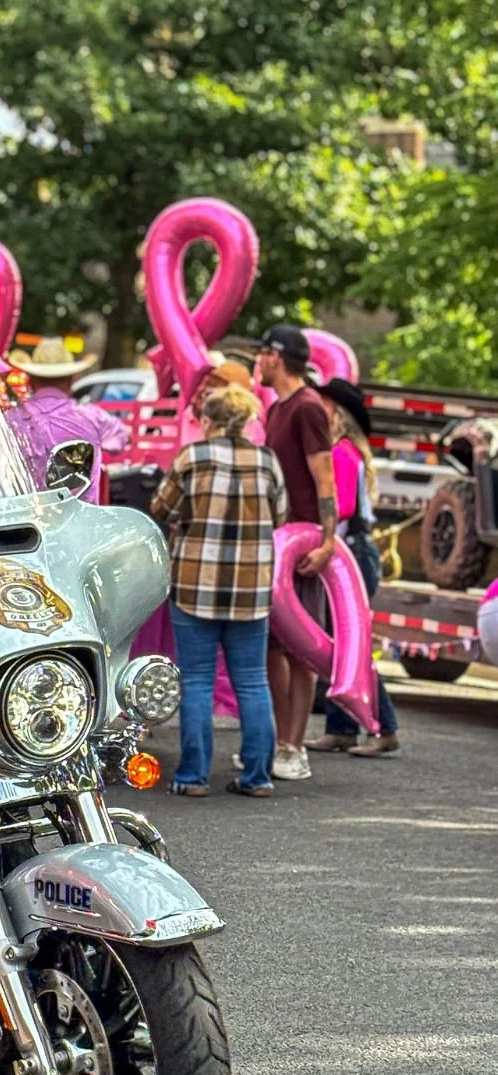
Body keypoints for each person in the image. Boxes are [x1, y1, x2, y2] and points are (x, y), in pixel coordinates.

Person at [151, 384, 287, 797]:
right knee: (252, 680)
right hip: (250, 587)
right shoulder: (266, 461)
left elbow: (161, 509)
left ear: (207, 420)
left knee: (195, 680)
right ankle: (258, 776)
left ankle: (192, 777)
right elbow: (280, 515)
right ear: (246, 421)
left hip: (197, 584)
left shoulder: (192, 457)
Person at [257, 324, 337, 783]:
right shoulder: (278, 408)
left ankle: (295, 745)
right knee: (272, 647)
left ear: (276, 356)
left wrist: (327, 542)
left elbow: (324, 479)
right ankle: (277, 741)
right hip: (277, 543)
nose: (258, 363)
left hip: (303, 545)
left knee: (301, 649)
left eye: (262, 354)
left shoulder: (307, 408)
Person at [306, 377, 400, 758]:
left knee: (350, 647)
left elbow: (341, 506)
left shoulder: (342, 454)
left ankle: (385, 726)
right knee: (342, 645)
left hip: (351, 555)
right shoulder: (349, 452)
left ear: (338, 413)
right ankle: (341, 726)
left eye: (325, 405)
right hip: (355, 552)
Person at [4, 337, 128, 496]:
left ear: (30, 381)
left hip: (26, 517)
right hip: (81, 518)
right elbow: (121, 438)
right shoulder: (93, 417)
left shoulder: (9, 419)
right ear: (71, 380)